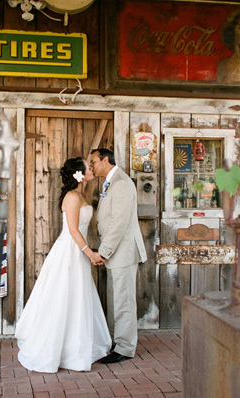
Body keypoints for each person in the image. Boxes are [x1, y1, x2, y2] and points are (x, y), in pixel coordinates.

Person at [15, 157, 111, 373]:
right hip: (70, 251)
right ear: (79, 173)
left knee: (77, 296)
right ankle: (57, 348)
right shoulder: (72, 197)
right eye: (88, 166)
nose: (92, 168)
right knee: (63, 296)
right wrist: (90, 254)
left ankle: (74, 344)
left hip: (76, 251)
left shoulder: (79, 195)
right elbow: (74, 231)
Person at [89, 148, 147, 364]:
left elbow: (118, 223)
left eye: (94, 161)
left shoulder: (121, 182)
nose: (92, 166)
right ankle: (117, 341)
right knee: (116, 299)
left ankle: (125, 347)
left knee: (123, 301)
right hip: (116, 251)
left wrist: (103, 251)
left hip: (123, 251)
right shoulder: (110, 182)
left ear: (105, 160)